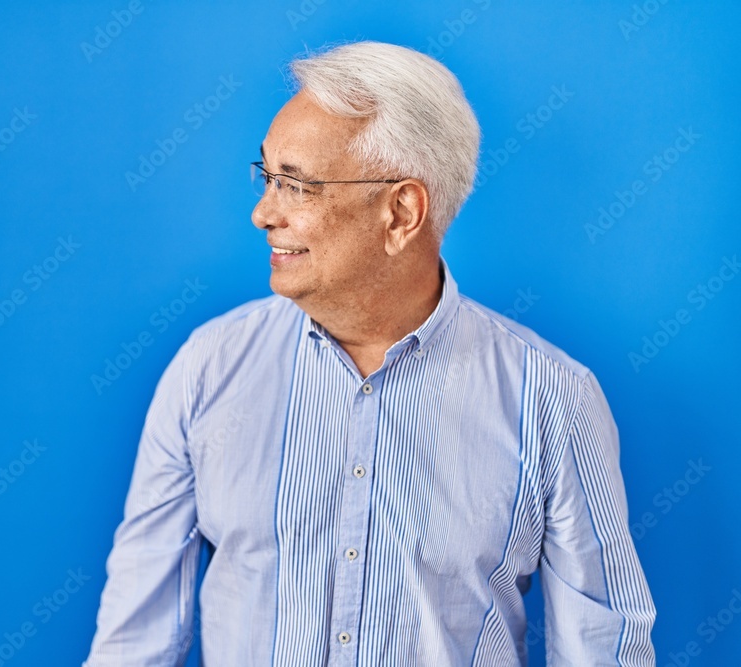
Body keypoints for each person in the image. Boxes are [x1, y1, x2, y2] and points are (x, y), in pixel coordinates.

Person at [83, 40, 656, 666]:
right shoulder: (208, 368)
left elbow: (606, 651)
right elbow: (132, 646)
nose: (261, 213)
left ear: (401, 211)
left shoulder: (552, 397)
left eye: (296, 185)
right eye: (267, 176)